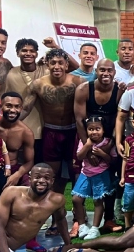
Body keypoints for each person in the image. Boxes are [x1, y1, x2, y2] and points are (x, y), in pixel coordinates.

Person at [0, 92, 40, 252]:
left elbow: (29, 162)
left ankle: (31, 239)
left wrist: (16, 175)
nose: (13, 110)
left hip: (14, 169)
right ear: (0, 106)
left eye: (17, 107)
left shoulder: (25, 132)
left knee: (33, 193)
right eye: (9, 106)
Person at [20, 49, 86, 194]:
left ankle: (77, 206)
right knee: (51, 173)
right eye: (53, 63)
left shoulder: (78, 82)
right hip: (51, 132)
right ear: (47, 65)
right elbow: (25, 109)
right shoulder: (38, 84)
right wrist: (9, 124)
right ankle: (52, 205)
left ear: (66, 65)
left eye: (60, 63)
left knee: (75, 172)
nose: (57, 66)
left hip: (73, 131)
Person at [74, 59, 124, 231]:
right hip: (87, 139)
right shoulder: (83, 89)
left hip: (110, 140)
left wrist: (110, 146)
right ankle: (79, 222)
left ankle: (108, 219)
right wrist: (87, 149)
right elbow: (80, 121)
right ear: (96, 71)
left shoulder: (119, 91)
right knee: (82, 176)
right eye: (102, 70)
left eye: (109, 70)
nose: (106, 73)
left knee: (109, 179)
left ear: (114, 72)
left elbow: (120, 119)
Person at [72, 117, 116, 240]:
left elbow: (112, 160)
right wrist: (87, 145)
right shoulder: (84, 141)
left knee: (98, 201)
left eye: (97, 129)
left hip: (101, 174)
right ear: (86, 130)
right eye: (91, 129)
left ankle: (95, 228)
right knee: (76, 199)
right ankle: (82, 226)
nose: (94, 132)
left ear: (103, 130)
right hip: (85, 173)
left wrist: (102, 154)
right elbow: (79, 156)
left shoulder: (107, 142)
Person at [5, 38, 47, 161]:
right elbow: (7, 101)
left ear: (37, 54)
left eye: (32, 51)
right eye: (24, 50)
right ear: (18, 53)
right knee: (22, 163)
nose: (28, 53)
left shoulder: (46, 70)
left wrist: (55, 47)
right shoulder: (11, 74)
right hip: (21, 127)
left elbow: (73, 66)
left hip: (44, 128)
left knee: (40, 165)